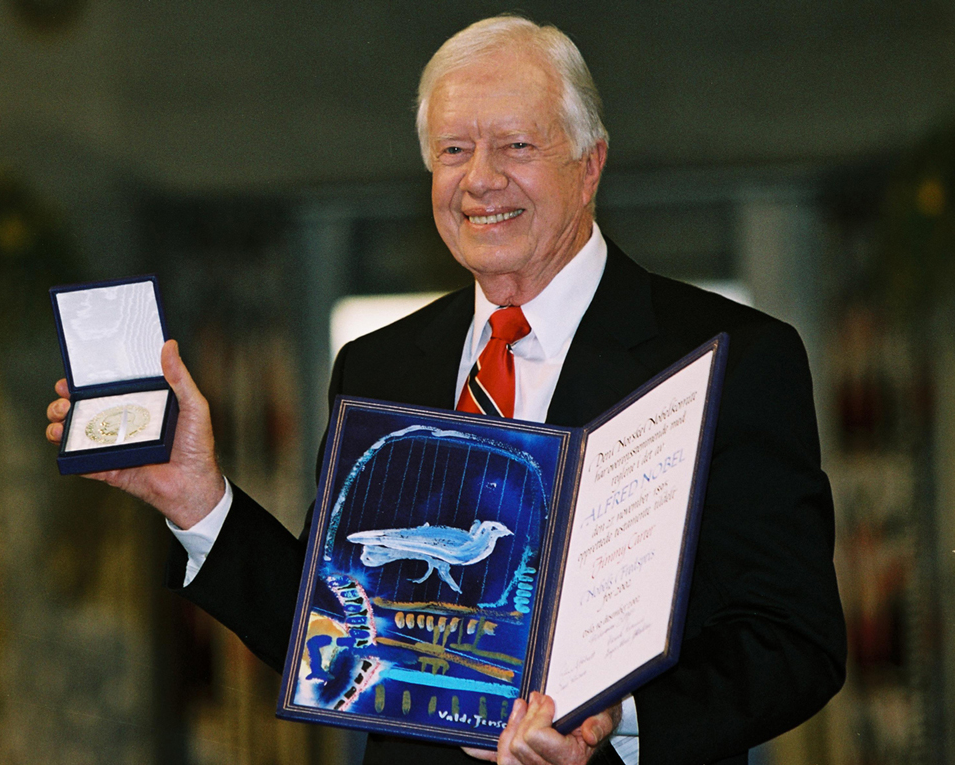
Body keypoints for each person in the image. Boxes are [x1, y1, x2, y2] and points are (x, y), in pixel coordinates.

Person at [46, 16, 846, 765]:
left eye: (516, 145)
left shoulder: (732, 358)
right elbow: (346, 627)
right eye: (454, 150)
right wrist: (199, 501)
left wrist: (616, 717)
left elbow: (792, 639)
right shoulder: (379, 364)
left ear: (591, 162)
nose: (481, 181)